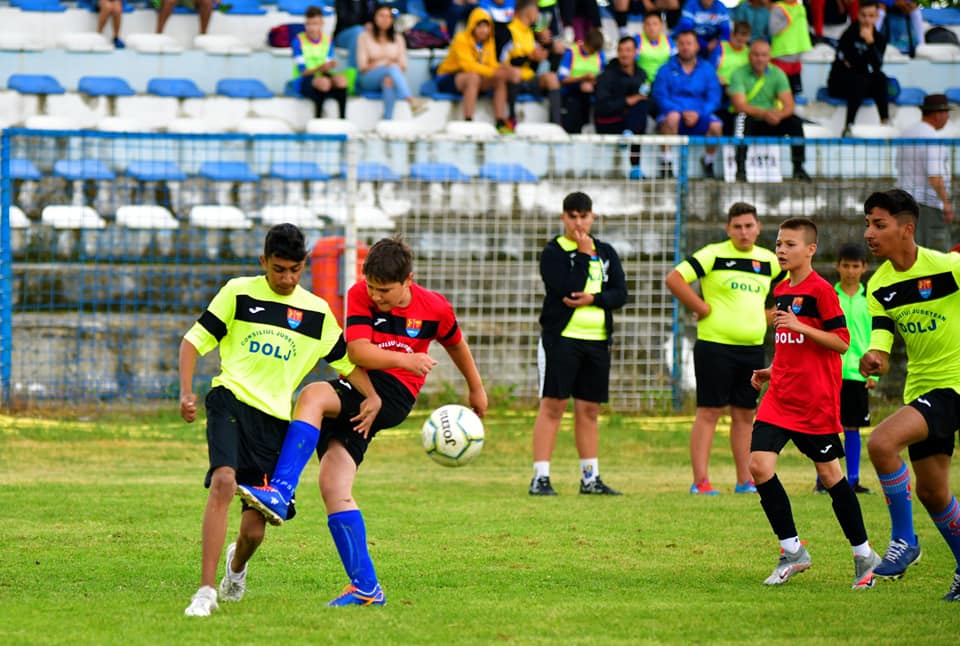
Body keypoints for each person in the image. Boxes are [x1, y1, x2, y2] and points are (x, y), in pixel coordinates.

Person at [238, 236, 488, 606]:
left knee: (312, 396)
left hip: (395, 394)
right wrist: (406, 359)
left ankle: (280, 490)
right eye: (372, 287)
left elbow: (455, 344)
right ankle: (366, 587)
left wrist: (476, 389)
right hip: (363, 383)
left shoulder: (434, 308)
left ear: (408, 281)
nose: (376, 297)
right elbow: (357, 351)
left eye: (384, 291)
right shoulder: (359, 293)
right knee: (333, 484)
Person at [178, 223, 382, 617]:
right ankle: (204, 592)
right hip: (230, 401)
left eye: (295, 270)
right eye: (278, 269)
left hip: (274, 423)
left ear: (304, 265)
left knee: (255, 529)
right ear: (263, 263)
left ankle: (236, 567)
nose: (287, 278)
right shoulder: (238, 293)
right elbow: (192, 341)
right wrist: (186, 392)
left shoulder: (317, 314)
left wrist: (372, 395)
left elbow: (345, 362)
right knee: (222, 480)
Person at [749, 217, 881, 589]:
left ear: (810, 250)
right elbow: (793, 350)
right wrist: (770, 371)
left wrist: (803, 326)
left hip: (815, 404)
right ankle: (792, 551)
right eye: (778, 243)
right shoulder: (780, 289)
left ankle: (863, 555)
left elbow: (841, 342)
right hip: (779, 398)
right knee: (759, 466)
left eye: (789, 244)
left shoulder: (822, 291)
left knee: (830, 476)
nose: (780, 250)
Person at [860, 189, 960, 600]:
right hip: (920, 388)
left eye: (878, 224)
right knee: (932, 491)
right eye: (867, 223)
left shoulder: (948, 266)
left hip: (954, 385)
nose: (869, 233)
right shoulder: (879, 285)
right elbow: (882, 344)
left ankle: (904, 540)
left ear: (907, 228)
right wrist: (873, 357)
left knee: (882, 443)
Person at [664, 202, 784, 495]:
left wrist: (768, 317)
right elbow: (674, 278)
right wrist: (700, 307)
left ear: (758, 228)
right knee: (709, 412)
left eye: (749, 226)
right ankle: (701, 482)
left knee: (745, 414)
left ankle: (745, 480)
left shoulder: (769, 260)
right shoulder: (713, 254)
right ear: (728, 229)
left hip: (752, 349)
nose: (744, 232)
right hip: (714, 347)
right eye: (737, 226)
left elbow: (787, 291)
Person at [529, 191, 627, 496]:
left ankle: (590, 477)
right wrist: (584, 255)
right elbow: (567, 290)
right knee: (554, 406)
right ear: (563, 218)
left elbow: (620, 293)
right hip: (562, 340)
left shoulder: (607, 252)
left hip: (596, 341)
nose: (578, 223)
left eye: (584, 216)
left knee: (589, 410)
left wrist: (594, 300)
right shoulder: (554, 251)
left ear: (592, 217)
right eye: (572, 216)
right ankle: (540, 477)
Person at [813, 243, 876, 494]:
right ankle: (824, 481)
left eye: (856, 266)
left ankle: (852, 480)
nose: (850, 271)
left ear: (864, 268)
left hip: (857, 375)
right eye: (846, 266)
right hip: (828, 373)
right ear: (837, 266)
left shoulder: (869, 301)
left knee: (852, 427)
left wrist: (873, 375)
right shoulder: (829, 296)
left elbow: (875, 338)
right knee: (825, 427)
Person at [729, 39, 811, 182]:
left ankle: (799, 168)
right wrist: (764, 114)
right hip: (751, 118)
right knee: (741, 120)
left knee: (795, 123)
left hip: (772, 120)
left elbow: (789, 105)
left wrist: (778, 115)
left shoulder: (778, 74)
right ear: (749, 56)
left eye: (763, 55)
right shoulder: (738, 74)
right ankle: (740, 171)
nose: (760, 59)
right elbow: (739, 105)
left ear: (769, 56)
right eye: (756, 55)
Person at [653, 30, 723, 178]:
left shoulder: (707, 69)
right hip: (673, 114)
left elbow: (714, 97)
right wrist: (679, 111)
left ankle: (708, 161)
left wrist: (699, 113)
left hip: (700, 114)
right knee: (672, 117)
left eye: (689, 43)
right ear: (677, 46)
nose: (685, 47)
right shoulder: (665, 69)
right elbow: (660, 96)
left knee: (716, 126)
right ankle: (666, 163)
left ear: (697, 46)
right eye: (682, 44)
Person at [435, 7, 515, 127]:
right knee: (473, 77)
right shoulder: (461, 39)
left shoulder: (489, 42)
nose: (483, 30)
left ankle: (499, 121)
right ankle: (468, 120)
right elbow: (467, 66)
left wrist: (502, 70)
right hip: (449, 77)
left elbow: (492, 63)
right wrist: (493, 72)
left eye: (486, 26)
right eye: (480, 26)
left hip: (477, 76)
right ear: (472, 26)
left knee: (499, 79)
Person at [897, 93, 954, 251]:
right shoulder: (932, 137)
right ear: (938, 114)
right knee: (934, 253)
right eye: (946, 113)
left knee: (912, 252)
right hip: (927, 203)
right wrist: (946, 203)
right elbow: (935, 176)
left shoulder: (907, 133)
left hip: (906, 201)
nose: (948, 118)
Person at [356, 4, 428, 120]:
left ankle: (387, 119)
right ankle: (411, 100)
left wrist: (385, 64)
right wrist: (384, 64)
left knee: (388, 80)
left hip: (390, 76)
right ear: (374, 17)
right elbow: (363, 66)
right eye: (381, 16)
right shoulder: (364, 37)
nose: (385, 20)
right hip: (368, 78)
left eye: (389, 16)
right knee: (391, 69)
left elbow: (403, 65)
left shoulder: (398, 38)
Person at [827, 0, 889, 133]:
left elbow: (877, 65)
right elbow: (848, 62)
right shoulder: (848, 34)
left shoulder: (879, 38)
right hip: (840, 83)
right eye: (863, 15)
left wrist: (870, 43)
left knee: (880, 77)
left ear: (876, 17)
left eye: (871, 16)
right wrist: (865, 63)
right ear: (858, 15)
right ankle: (849, 125)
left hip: (862, 81)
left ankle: (885, 121)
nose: (867, 20)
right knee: (859, 79)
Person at [502, 0, 563, 126]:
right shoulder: (508, 30)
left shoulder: (530, 32)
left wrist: (542, 53)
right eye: (536, 11)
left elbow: (533, 64)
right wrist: (529, 58)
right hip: (511, 78)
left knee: (551, 78)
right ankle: (511, 118)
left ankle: (556, 125)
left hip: (529, 77)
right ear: (529, 12)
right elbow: (503, 62)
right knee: (515, 73)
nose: (538, 14)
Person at [292, 5, 349, 119]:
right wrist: (320, 68)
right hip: (305, 79)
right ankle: (318, 118)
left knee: (341, 80)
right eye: (309, 24)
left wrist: (331, 65)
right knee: (323, 83)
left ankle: (343, 118)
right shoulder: (298, 41)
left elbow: (328, 63)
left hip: (322, 75)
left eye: (315, 24)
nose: (312, 28)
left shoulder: (327, 40)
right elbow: (303, 72)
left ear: (322, 24)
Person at [594, 36, 650, 143]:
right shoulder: (607, 74)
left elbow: (646, 96)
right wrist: (626, 101)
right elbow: (601, 106)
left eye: (628, 50)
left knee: (642, 104)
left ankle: (630, 137)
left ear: (635, 52)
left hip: (634, 121)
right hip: (610, 122)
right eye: (621, 50)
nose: (624, 54)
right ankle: (628, 136)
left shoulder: (641, 74)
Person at [556, 28, 605, 133]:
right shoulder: (571, 53)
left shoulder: (600, 55)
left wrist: (594, 81)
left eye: (595, 51)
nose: (592, 53)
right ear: (585, 42)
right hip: (571, 91)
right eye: (591, 50)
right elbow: (562, 78)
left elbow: (603, 76)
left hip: (591, 92)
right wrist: (582, 78)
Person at [711, 20, 751, 134]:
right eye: (738, 40)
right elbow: (709, 71)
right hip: (721, 90)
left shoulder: (748, 52)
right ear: (732, 35)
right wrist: (721, 82)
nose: (741, 44)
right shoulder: (721, 48)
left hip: (739, 91)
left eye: (744, 41)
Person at [768, 0, 812, 95]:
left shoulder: (800, 7)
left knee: (795, 91)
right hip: (782, 56)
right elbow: (773, 30)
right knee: (780, 91)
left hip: (797, 57)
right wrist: (787, 20)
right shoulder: (778, 8)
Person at [635, 12, 675, 89]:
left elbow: (675, 62)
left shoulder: (668, 40)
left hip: (664, 83)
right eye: (648, 24)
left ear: (661, 26)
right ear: (643, 26)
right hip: (643, 83)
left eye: (655, 24)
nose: (651, 28)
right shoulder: (637, 40)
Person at [334, 0, 376, 69]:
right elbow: (345, 19)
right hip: (343, 35)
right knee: (358, 31)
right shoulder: (343, 2)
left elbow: (371, 17)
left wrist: (370, 24)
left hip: (363, 32)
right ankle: (354, 70)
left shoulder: (366, 2)